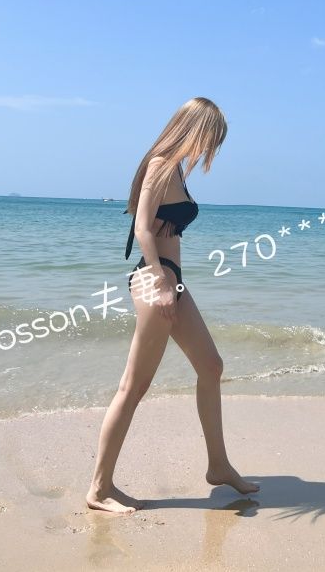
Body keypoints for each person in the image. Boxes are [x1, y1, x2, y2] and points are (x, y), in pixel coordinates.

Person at [86, 96, 260, 513]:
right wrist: (161, 281)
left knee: (211, 366)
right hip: (156, 280)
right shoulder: (160, 164)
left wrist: (171, 281)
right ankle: (99, 488)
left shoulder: (177, 169)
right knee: (133, 386)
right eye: (211, 137)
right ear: (193, 128)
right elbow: (142, 228)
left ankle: (218, 466)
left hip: (171, 279)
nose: (211, 147)